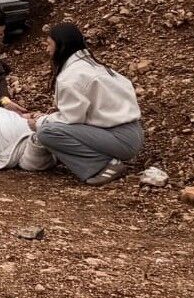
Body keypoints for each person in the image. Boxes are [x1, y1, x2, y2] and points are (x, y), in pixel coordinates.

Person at [32, 22, 144, 185]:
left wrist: (40, 121)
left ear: (61, 46)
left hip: (119, 138)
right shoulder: (91, 66)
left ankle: (104, 165)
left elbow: (72, 119)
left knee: (47, 132)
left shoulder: (72, 76)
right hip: (133, 133)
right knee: (51, 126)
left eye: (49, 44)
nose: (47, 49)